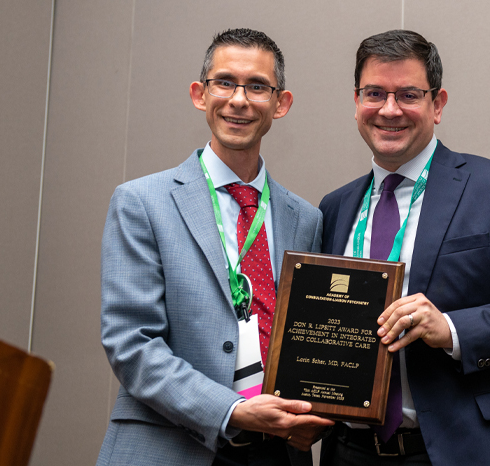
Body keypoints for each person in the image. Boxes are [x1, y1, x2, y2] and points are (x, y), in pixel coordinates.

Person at [318, 29, 490, 466]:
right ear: (356, 103)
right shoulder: (335, 207)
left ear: (437, 104)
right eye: (374, 93)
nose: (389, 110)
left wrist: (452, 329)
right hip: (352, 451)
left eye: (408, 94)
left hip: (470, 450)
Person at [97, 28, 333, 466]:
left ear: (280, 104)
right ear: (199, 95)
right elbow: (131, 343)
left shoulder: (306, 219)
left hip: (276, 453)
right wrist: (232, 410)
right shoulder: (142, 202)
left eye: (257, 86)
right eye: (224, 82)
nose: (239, 99)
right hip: (171, 446)